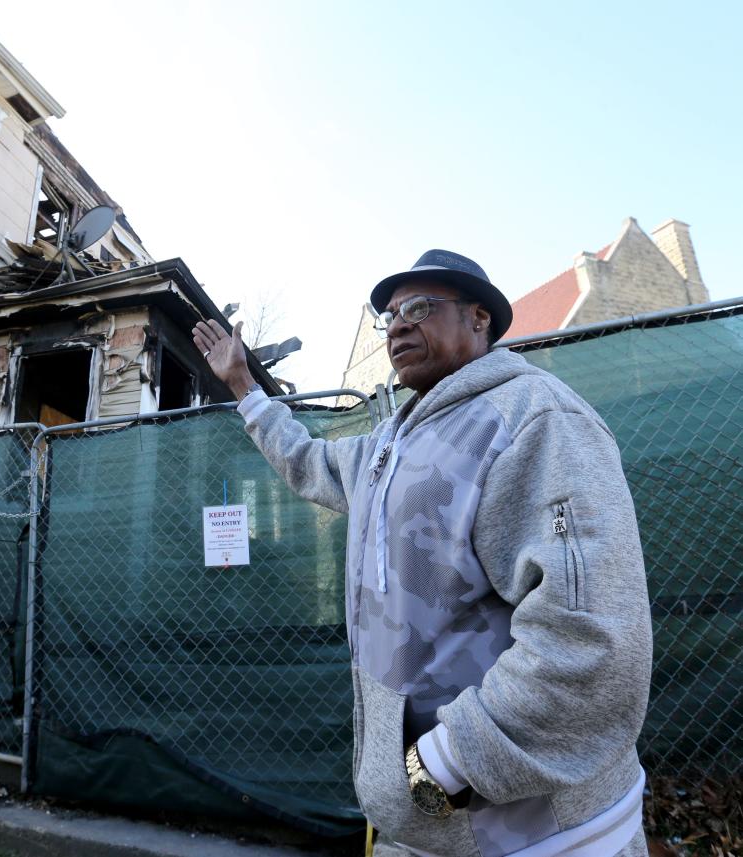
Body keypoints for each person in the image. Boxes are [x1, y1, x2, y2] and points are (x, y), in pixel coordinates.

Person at [193, 250, 653, 857]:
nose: (397, 325)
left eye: (418, 308)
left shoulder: (534, 418)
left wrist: (442, 764)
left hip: (546, 837)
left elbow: (591, 640)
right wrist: (244, 388)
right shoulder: (389, 445)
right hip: (429, 832)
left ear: (479, 319)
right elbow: (308, 461)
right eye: (387, 316)